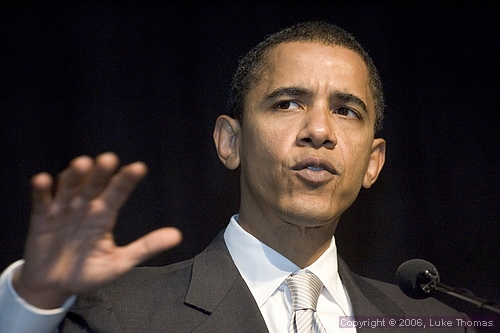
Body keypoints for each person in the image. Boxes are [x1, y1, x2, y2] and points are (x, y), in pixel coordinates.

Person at [0, 21, 477, 332]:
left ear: (373, 163)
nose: (319, 130)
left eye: (347, 110)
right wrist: (35, 301)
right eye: (288, 103)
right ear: (230, 142)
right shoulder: (116, 315)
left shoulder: (432, 321)